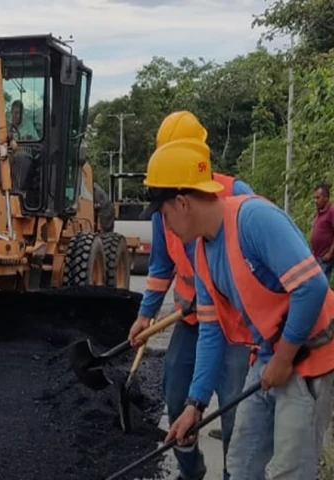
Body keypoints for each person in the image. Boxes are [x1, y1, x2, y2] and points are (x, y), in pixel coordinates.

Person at [149, 137, 334, 479]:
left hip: (310, 360)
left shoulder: (253, 219)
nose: (166, 227)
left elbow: (312, 286)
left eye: (164, 215)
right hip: (266, 357)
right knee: (241, 465)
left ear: (181, 202)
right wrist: (195, 405)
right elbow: (211, 331)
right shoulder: (203, 254)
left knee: (289, 471)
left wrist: (283, 359)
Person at [129, 110, 251, 480]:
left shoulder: (237, 196)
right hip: (191, 321)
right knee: (177, 396)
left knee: (235, 414)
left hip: (236, 329)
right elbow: (161, 268)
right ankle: (190, 470)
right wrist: (145, 315)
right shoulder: (163, 211)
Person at [312, 183, 334, 279]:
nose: (315, 201)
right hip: (316, 256)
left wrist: (330, 253)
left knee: (322, 283)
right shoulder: (318, 213)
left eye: (318, 198)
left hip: (325, 257)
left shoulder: (331, 211)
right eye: (314, 198)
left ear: (326, 198)